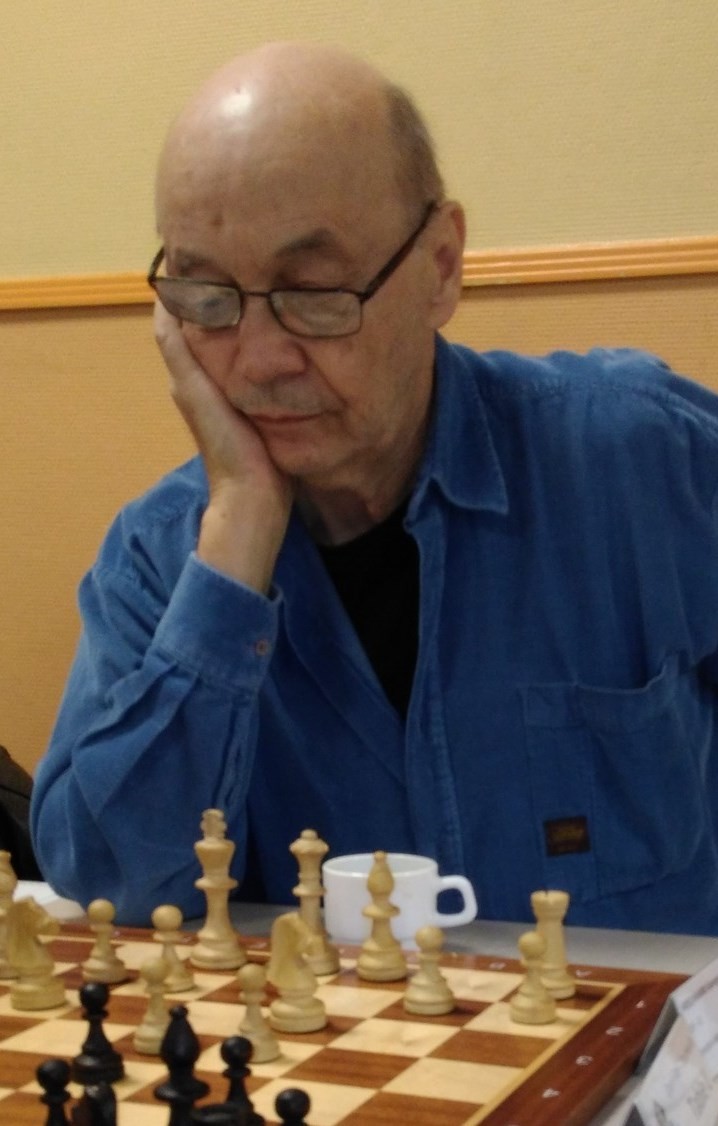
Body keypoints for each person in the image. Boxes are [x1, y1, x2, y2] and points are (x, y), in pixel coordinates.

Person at [31, 41, 718, 933]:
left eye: (315, 292)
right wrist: (240, 527)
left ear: (441, 266)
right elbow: (108, 889)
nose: (260, 360)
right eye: (206, 297)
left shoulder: (636, 458)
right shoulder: (160, 560)